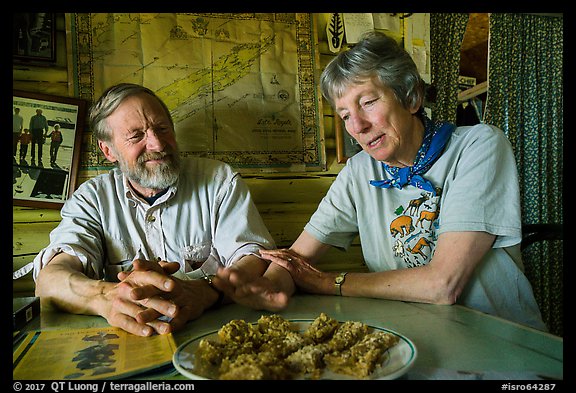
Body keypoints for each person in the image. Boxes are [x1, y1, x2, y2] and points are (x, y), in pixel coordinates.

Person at [227, 31, 546, 331]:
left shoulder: (478, 146)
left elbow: (442, 285)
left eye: (367, 102)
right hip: (416, 336)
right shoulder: (359, 172)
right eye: (345, 115)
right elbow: (296, 260)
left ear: (411, 99)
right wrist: (266, 286)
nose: (358, 127)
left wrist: (327, 282)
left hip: (499, 338)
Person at [28, 83, 285, 336]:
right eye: (137, 136)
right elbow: (50, 281)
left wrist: (207, 291)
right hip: (125, 342)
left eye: (162, 129)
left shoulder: (218, 180)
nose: (158, 144)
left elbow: (254, 258)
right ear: (108, 150)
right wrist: (108, 297)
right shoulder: (91, 199)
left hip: (213, 332)